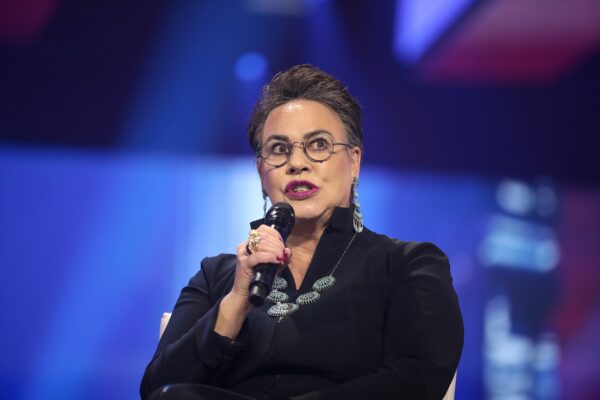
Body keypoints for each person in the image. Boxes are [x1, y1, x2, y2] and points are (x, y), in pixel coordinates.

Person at [140, 64, 463, 400]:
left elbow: (418, 376)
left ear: (354, 161)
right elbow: (158, 389)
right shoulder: (216, 275)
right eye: (279, 149)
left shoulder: (407, 264)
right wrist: (235, 302)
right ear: (261, 172)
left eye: (319, 145)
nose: (297, 163)